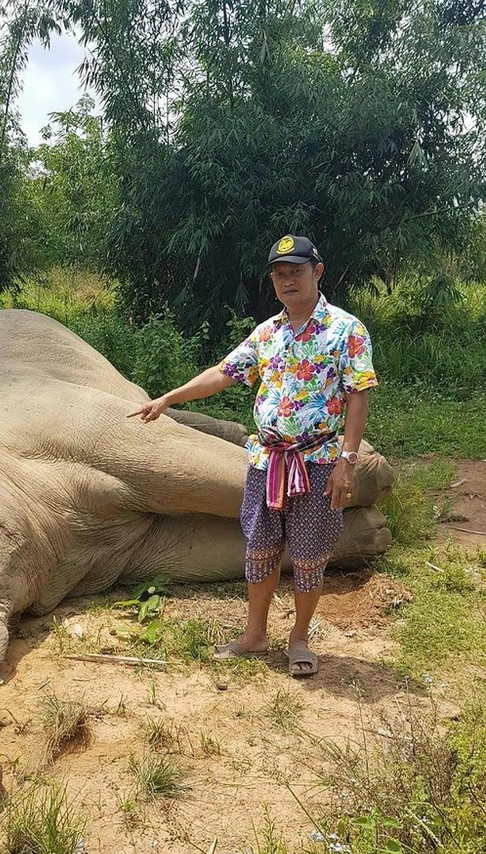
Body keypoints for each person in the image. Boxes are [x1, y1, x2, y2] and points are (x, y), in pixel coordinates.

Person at [127, 235, 378, 677]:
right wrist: (168, 398)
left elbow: (359, 396)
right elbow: (222, 373)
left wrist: (348, 461)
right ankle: (255, 635)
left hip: (318, 461)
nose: (287, 281)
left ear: (317, 272)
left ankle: (299, 638)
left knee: (309, 553)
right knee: (260, 548)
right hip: (267, 462)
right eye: (279, 274)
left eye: (296, 272)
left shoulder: (346, 330)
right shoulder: (268, 333)